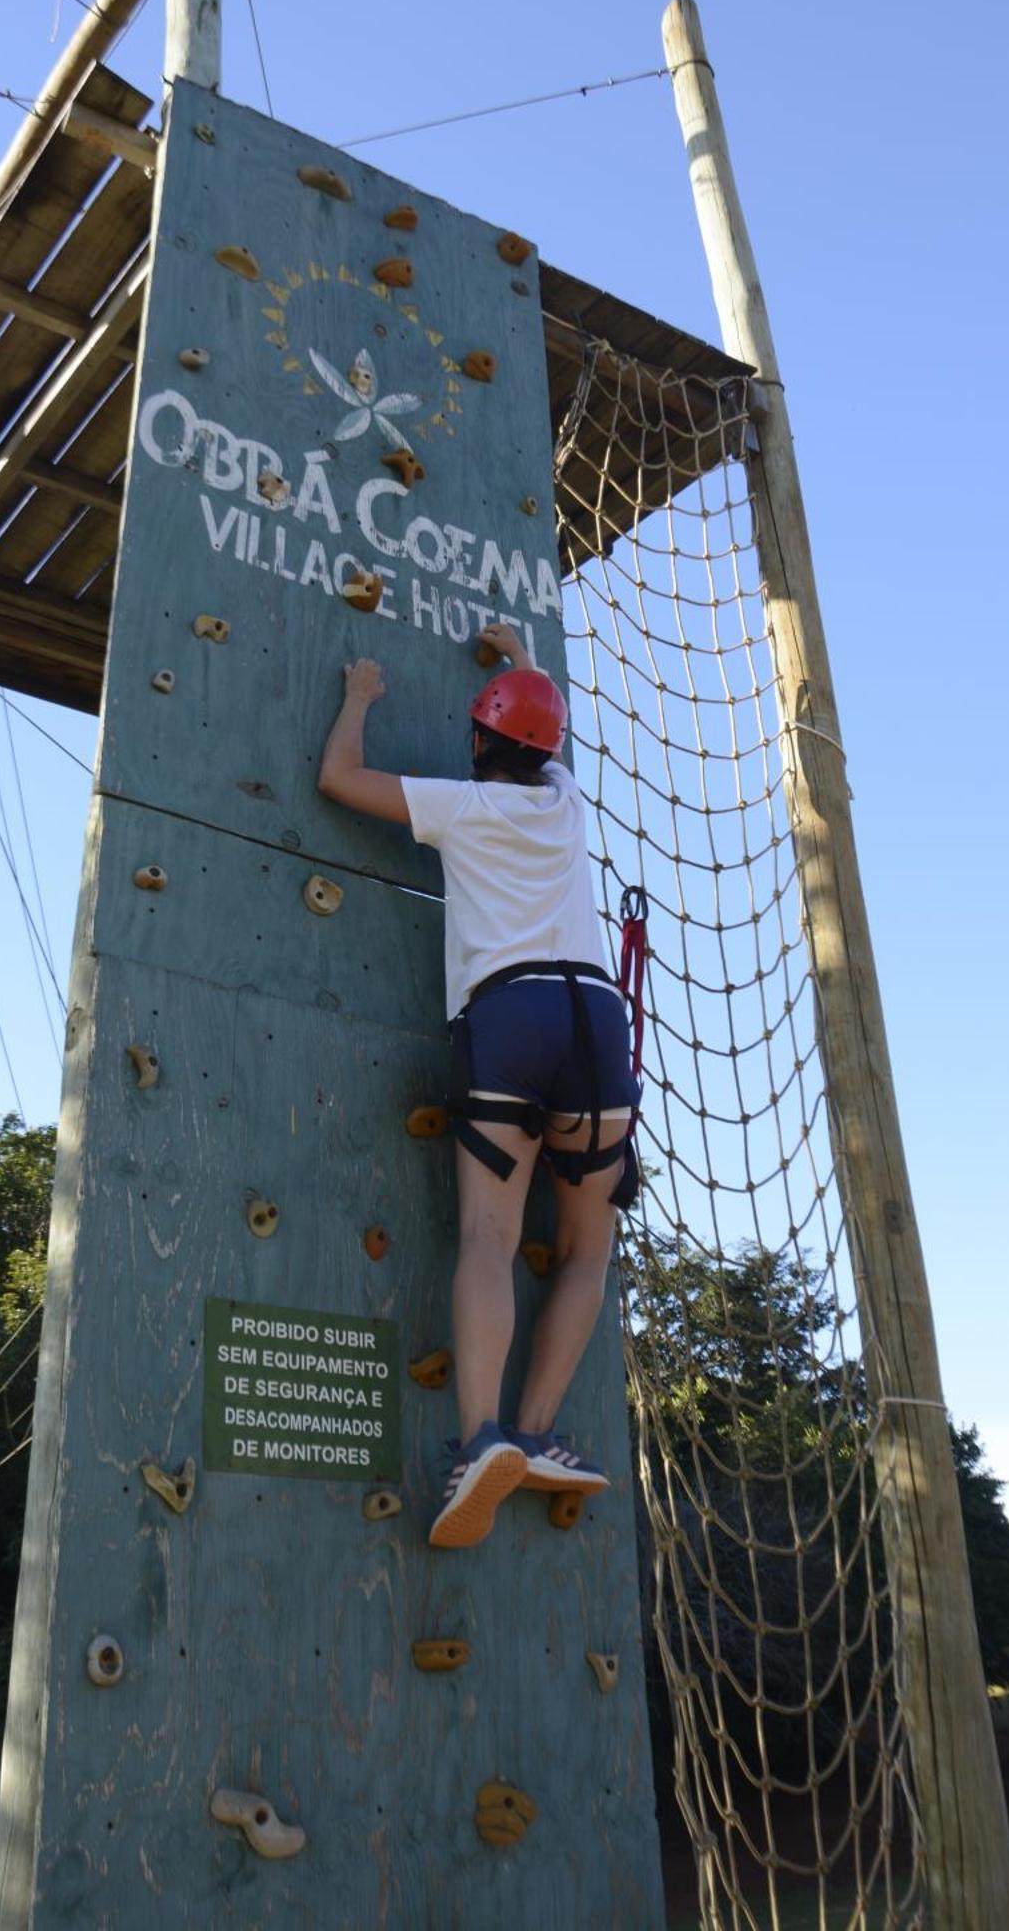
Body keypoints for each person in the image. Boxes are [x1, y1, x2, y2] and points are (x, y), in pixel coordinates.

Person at [317, 622, 638, 1550]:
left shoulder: (460, 806)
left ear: (474, 743)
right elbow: (543, 727)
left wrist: (360, 695)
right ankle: (539, 1432)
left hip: (510, 1018)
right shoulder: (566, 802)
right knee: (584, 1249)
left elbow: (340, 780)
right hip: (597, 1027)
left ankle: (479, 1441)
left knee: (491, 1239)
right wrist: (521, 656)